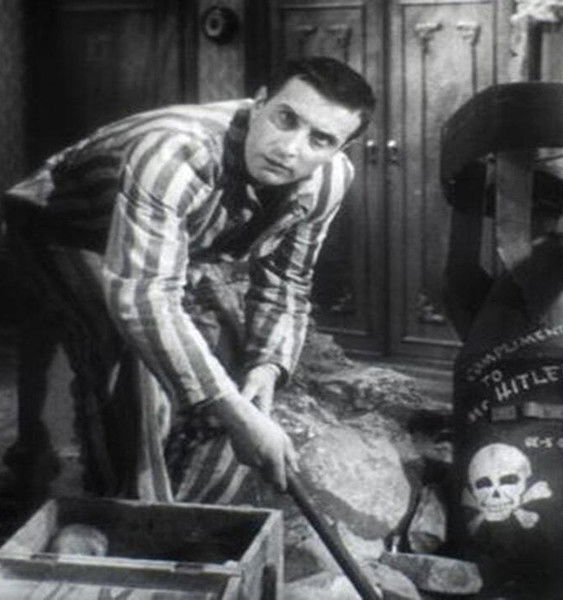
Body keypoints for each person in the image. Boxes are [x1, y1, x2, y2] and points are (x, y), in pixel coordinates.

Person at [2, 56, 376, 503]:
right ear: (258, 103)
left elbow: (286, 279)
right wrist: (235, 414)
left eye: (321, 139)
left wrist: (267, 367)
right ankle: (132, 512)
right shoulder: (176, 150)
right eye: (286, 119)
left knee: (226, 358)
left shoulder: (331, 179)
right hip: (62, 223)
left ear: (341, 148)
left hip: (168, 242)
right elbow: (144, 298)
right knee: (130, 372)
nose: (290, 149)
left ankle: (175, 499)